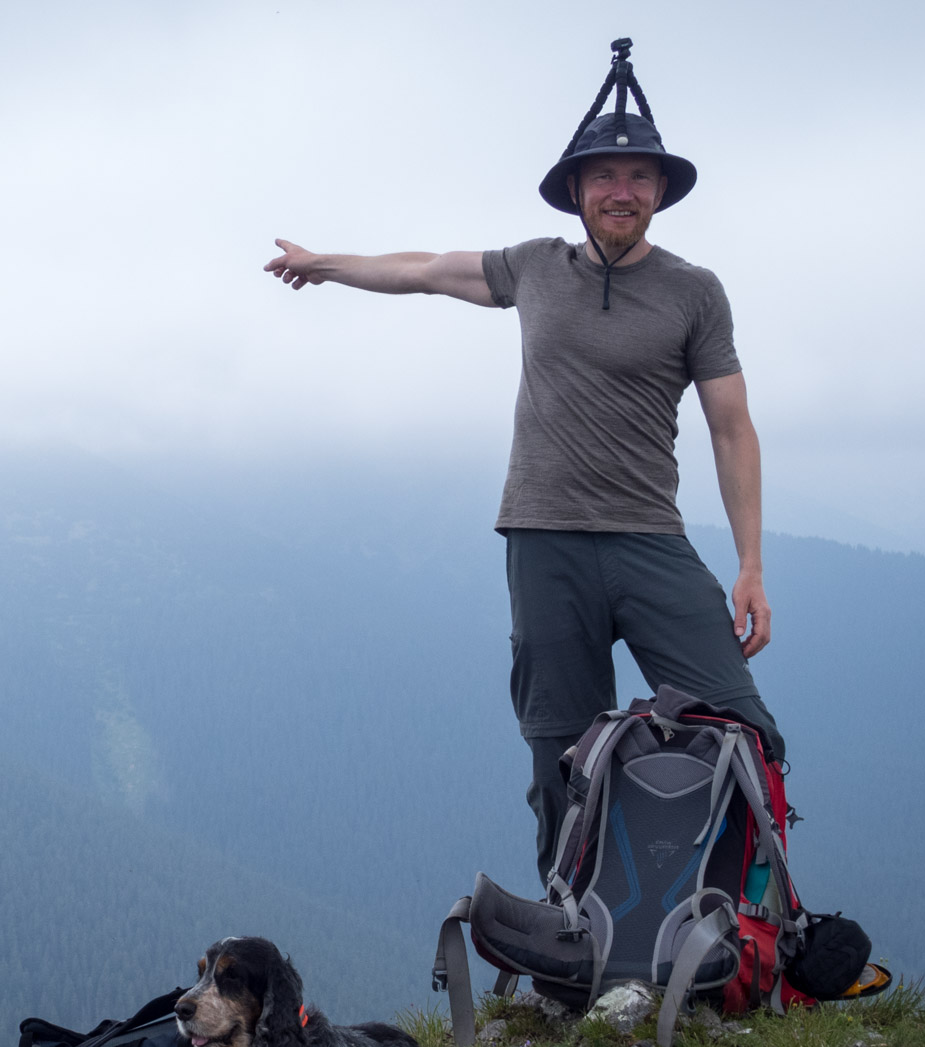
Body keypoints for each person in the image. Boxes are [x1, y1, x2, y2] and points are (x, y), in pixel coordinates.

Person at [262, 39, 784, 887]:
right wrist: (323, 265)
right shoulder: (536, 268)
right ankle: (569, 936)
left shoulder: (696, 292)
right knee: (559, 756)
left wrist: (751, 565)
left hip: (649, 539)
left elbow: (733, 428)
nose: (624, 191)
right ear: (577, 191)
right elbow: (426, 271)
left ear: (659, 193)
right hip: (544, 544)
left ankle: (737, 926)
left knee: (742, 728)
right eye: (605, 177)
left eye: (640, 177)